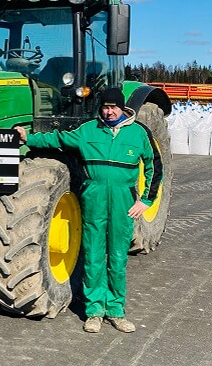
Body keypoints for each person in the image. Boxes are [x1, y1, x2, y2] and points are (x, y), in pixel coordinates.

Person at [14, 87, 158, 334]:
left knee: (117, 258)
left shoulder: (138, 133)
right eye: (105, 107)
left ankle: (116, 311)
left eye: (113, 107)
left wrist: (145, 200)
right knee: (92, 257)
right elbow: (57, 139)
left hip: (124, 202)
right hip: (94, 200)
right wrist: (28, 137)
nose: (109, 111)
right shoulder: (88, 130)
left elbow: (154, 168)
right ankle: (94, 312)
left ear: (122, 108)